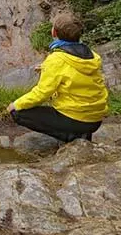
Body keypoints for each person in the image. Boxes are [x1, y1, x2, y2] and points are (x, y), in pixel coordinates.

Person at [7, 12, 108, 142]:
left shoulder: (56, 60)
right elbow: (73, 74)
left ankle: (71, 137)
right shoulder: (91, 56)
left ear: (54, 32)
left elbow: (42, 93)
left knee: (18, 114)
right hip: (95, 120)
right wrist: (46, 68)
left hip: (76, 119)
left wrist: (15, 104)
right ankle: (82, 133)